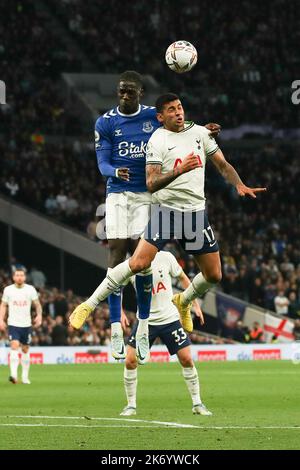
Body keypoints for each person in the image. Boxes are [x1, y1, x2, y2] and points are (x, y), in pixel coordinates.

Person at [70, 93, 266, 364]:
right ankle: (89, 305)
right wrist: (181, 169)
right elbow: (151, 183)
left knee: (214, 275)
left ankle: (183, 301)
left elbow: (222, 164)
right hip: (165, 212)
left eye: (180, 107)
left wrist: (239, 184)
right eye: (171, 110)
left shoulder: (200, 133)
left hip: (195, 214)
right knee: (138, 263)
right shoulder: (157, 140)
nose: (178, 112)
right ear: (160, 117)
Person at [120, 250, 212, 417]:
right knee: (130, 361)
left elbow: (184, 278)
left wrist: (195, 304)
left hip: (170, 318)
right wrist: (119, 312)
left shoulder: (166, 257)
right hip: (145, 321)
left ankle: (197, 403)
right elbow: (116, 287)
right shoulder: (132, 262)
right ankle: (131, 405)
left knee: (186, 358)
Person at [0, 268, 42, 384]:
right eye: (17, 275)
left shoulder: (30, 290)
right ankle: (13, 375)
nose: (19, 277)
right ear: (13, 277)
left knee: (25, 349)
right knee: (14, 345)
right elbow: (3, 305)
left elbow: (37, 305)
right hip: (13, 324)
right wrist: (1, 320)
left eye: (21, 275)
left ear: (25, 277)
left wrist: (39, 316)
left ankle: (25, 377)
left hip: (26, 324)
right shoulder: (8, 290)